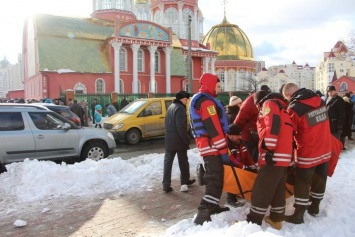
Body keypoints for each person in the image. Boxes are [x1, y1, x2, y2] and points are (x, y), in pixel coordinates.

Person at [282, 83, 332, 224]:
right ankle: (315, 207)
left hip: (308, 152)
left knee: (302, 182)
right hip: (325, 148)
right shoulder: (320, 101)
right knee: (320, 179)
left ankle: (299, 214)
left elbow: (289, 132)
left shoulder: (294, 108)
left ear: (288, 95)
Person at [245, 91, 293, 230]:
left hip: (273, 156)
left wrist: (269, 149)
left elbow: (272, 125)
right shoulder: (282, 107)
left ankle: (253, 222)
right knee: (278, 189)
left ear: (258, 102)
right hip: (283, 157)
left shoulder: (269, 104)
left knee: (262, 188)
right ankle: (276, 219)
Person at [189, 73, 230, 225]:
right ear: (210, 85)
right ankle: (203, 211)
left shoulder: (204, 99)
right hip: (211, 146)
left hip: (209, 146)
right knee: (215, 179)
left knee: (217, 178)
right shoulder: (206, 102)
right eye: (217, 86)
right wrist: (223, 150)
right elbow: (213, 128)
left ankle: (212, 206)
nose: (219, 90)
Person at [162, 90, 195, 193]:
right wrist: (186, 139)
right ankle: (185, 180)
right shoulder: (180, 108)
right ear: (181, 99)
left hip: (169, 139)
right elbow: (181, 127)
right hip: (179, 140)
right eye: (186, 100)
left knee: (168, 162)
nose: (186, 102)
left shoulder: (171, 107)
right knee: (183, 161)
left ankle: (166, 184)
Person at [233, 85, 271, 163]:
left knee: (255, 156)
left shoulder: (252, 102)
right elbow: (239, 120)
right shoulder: (250, 102)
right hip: (249, 135)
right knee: (250, 157)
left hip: (257, 134)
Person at [225, 123, 256, 207]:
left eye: (240, 135)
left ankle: (241, 192)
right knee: (234, 172)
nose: (240, 137)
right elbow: (231, 159)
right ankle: (230, 198)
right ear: (230, 135)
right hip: (230, 168)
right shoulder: (225, 145)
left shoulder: (241, 143)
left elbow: (248, 157)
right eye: (237, 135)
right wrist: (243, 167)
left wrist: (252, 166)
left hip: (240, 166)